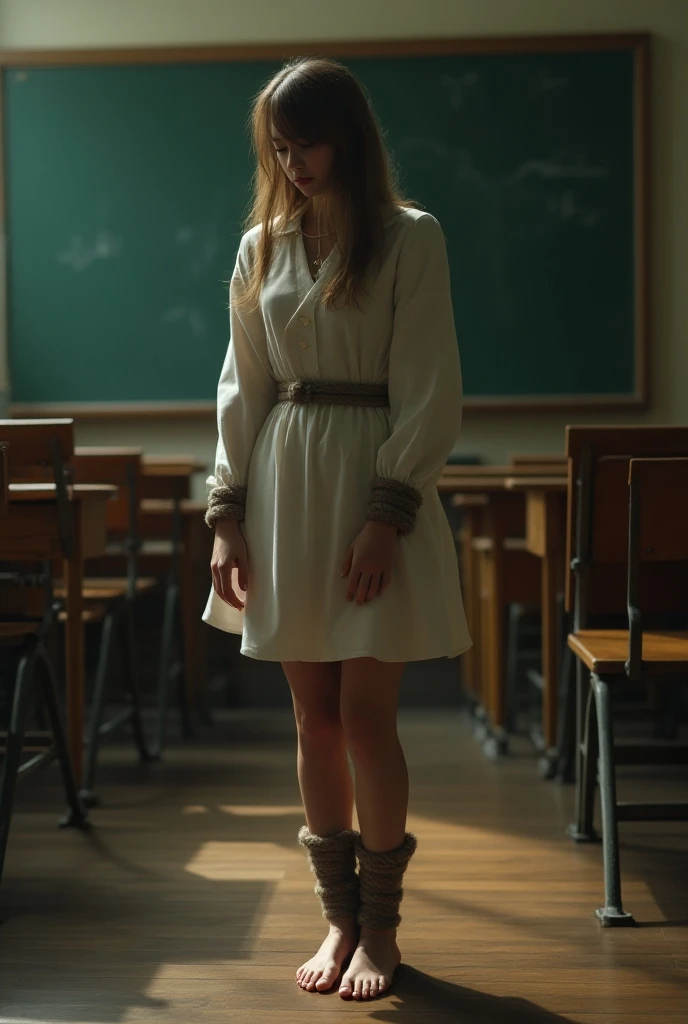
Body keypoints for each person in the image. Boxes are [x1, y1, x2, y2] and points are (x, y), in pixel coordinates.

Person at [203, 55, 470, 1001]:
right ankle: (338, 915)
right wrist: (227, 514)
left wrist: (387, 515)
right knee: (311, 718)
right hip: (283, 486)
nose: (293, 161)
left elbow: (432, 386)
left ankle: (383, 929)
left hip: (369, 489)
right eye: (279, 147)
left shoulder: (410, 237)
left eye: (306, 141)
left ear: (347, 136)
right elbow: (243, 387)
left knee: (365, 717)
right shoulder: (261, 246)